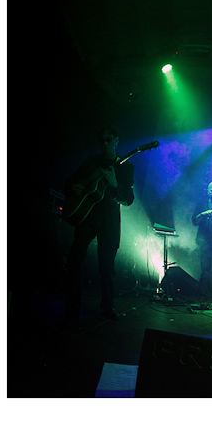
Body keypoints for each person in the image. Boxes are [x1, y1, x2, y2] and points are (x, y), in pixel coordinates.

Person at [63, 125, 135, 323]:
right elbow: (70, 180)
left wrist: (114, 185)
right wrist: (73, 186)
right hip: (86, 216)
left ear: (116, 141)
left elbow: (128, 199)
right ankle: (71, 307)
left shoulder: (125, 166)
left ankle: (108, 305)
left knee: (107, 266)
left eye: (108, 140)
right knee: (74, 258)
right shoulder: (91, 161)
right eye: (101, 140)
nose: (104, 144)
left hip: (109, 221)